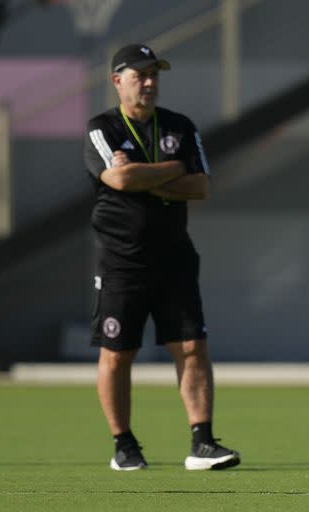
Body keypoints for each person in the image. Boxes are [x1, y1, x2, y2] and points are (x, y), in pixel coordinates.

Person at [84, 44, 240, 470]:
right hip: (120, 261)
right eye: (140, 75)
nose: (150, 82)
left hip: (174, 257)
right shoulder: (102, 128)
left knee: (192, 346)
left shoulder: (180, 125)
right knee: (117, 353)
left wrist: (140, 176)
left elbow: (201, 187)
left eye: (155, 74)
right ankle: (124, 445)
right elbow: (115, 177)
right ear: (118, 81)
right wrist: (173, 168)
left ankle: (202, 443)